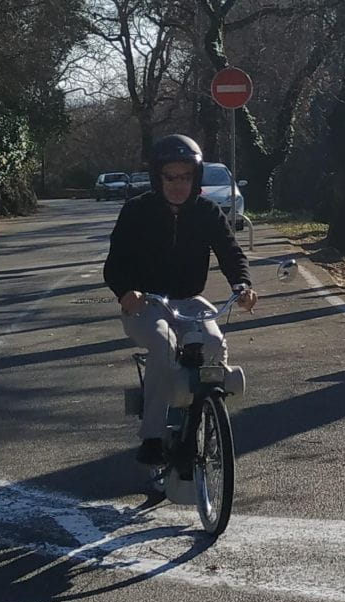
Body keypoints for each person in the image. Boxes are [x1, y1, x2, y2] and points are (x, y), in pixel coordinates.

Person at [103, 134, 256, 465]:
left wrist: (242, 285)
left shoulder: (207, 212)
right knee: (162, 343)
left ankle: (210, 421)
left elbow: (231, 253)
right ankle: (153, 436)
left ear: (195, 177)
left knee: (214, 343)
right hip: (147, 303)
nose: (177, 184)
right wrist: (126, 292)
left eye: (185, 176)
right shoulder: (136, 211)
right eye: (170, 176)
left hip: (190, 301)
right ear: (158, 178)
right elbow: (114, 264)